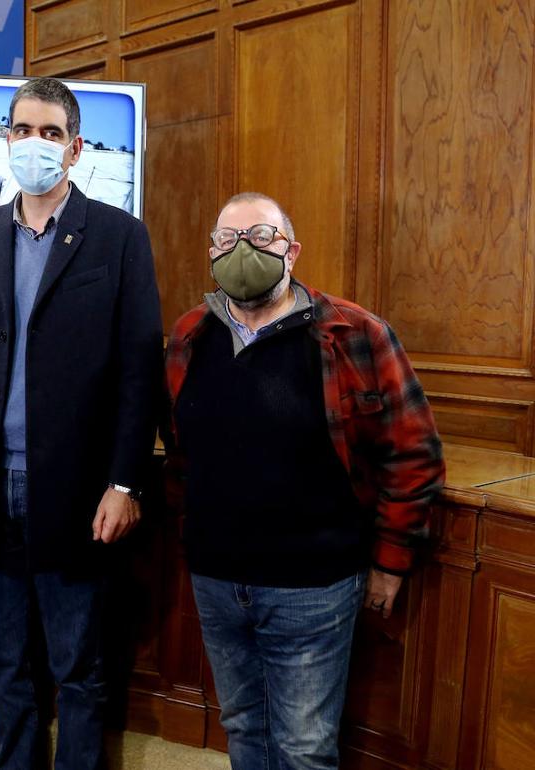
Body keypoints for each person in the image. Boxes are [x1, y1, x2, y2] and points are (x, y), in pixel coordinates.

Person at [0, 77, 164, 769]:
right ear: (6, 141)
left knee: (79, 667)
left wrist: (127, 482)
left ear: (75, 147)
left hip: (79, 490)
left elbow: (138, 371)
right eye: (23, 130)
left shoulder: (119, 238)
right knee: (1, 661)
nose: (35, 144)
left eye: (51, 133)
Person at [163, 192, 445, 769]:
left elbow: (413, 453)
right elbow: (179, 451)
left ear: (291, 251)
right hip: (217, 579)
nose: (242, 249)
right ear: (211, 253)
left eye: (260, 237)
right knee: (242, 727)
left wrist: (391, 562)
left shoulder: (356, 334)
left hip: (313, 585)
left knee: (303, 747)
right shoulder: (190, 334)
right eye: (227, 239)